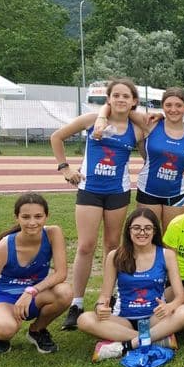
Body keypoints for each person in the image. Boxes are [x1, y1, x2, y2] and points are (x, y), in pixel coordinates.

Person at [51, 78, 145, 330]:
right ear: (109, 98)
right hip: (90, 189)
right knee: (85, 245)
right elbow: (56, 137)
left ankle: (108, 297)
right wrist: (64, 168)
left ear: (134, 101)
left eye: (126, 96)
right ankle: (77, 303)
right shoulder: (92, 120)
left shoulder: (136, 130)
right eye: (116, 96)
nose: (121, 100)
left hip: (118, 192)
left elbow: (151, 147)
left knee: (112, 246)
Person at [0, 193, 72, 362]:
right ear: (17, 217)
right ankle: (2, 336)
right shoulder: (5, 246)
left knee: (65, 291)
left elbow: (61, 273)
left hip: (33, 296)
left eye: (38, 216)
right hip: (4, 298)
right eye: (25, 217)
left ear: (46, 216)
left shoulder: (52, 234)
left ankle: (36, 331)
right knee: (4, 328)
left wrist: (31, 291)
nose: (32, 222)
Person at [77, 207, 184, 362]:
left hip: (155, 318)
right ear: (128, 230)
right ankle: (155, 339)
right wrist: (100, 306)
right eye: (136, 228)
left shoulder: (167, 255)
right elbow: (104, 295)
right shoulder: (115, 256)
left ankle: (127, 345)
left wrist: (169, 307)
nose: (142, 232)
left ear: (154, 231)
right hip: (123, 320)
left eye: (148, 228)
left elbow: (180, 296)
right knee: (84, 320)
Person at [96, 87, 184, 232]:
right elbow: (122, 109)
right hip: (148, 191)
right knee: (149, 238)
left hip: (176, 194)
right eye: (168, 105)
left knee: (173, 240)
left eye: (178, 105)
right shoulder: (151, 124)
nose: (173, 109)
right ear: (162, 107)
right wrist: (102, 115)